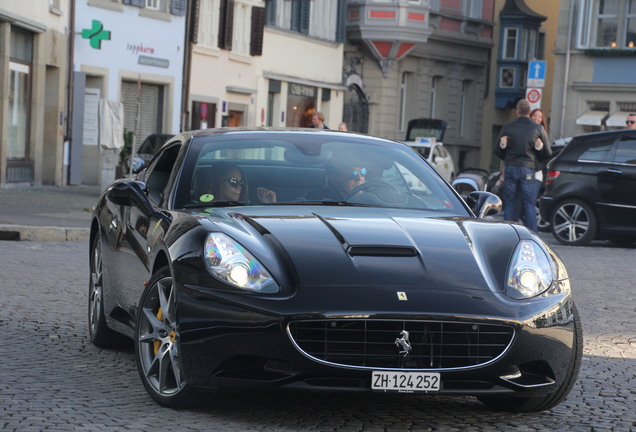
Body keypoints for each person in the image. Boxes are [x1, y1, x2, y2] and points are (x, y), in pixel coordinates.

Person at [494, 99, 551, 232]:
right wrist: (539, 148)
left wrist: (506, 154)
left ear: (517, 111)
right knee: (529, 204)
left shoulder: (508, 127)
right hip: (528, 169)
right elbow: (548, 153)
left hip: (511, 167)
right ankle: (533, 234)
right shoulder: (537, 128)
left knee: (509, 203)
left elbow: (497, 150)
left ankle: (508, 232)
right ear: (529, 112)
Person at [200, 161, 275, 203]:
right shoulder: (198, 210)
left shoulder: (245, 208)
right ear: (217, 181)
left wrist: (270, 204)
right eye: (234, 181)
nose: (239, 187)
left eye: (241, 183)